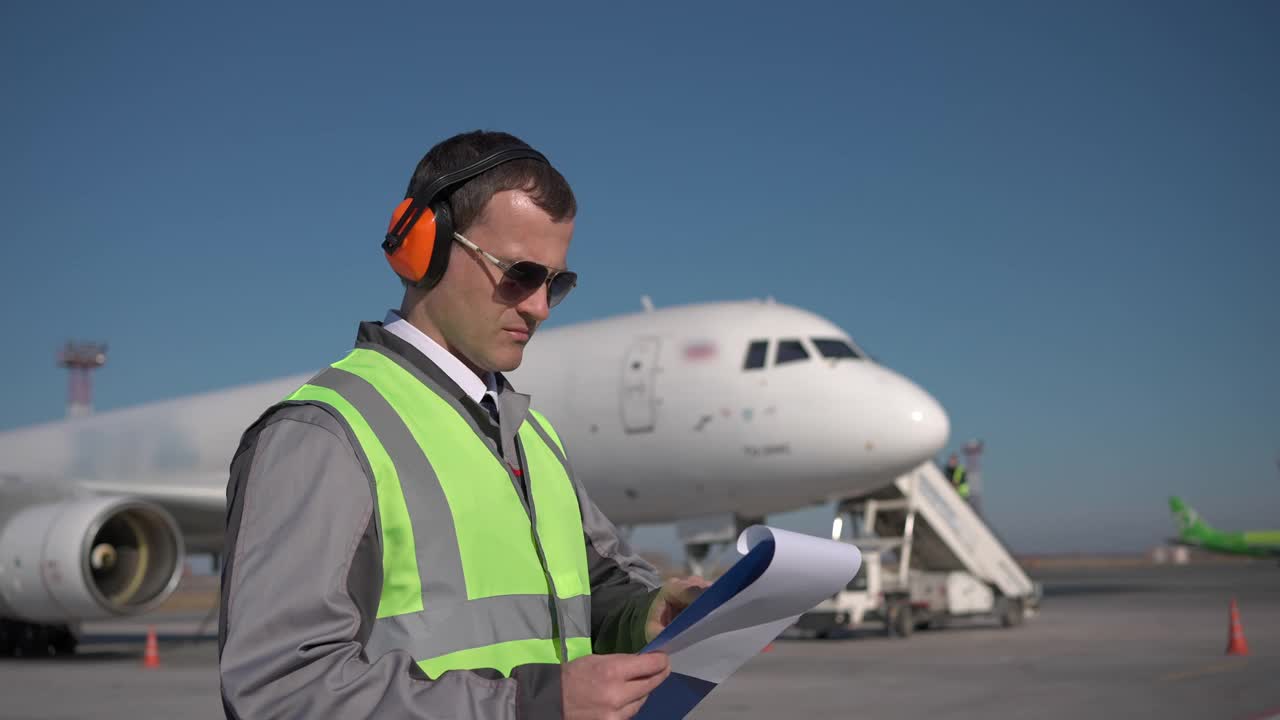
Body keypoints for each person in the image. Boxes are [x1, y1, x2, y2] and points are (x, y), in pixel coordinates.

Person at [218, 130, 708, 719]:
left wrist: (650, 616)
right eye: (521, 273)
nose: (540, 307)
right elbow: (279, 691)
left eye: (558, 283)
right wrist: (526, 708)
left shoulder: (530, 434)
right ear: (424, 248)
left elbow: (589, 594)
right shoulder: (325, 435)